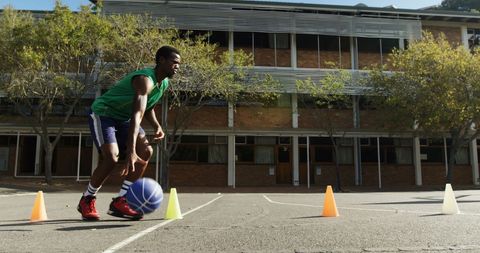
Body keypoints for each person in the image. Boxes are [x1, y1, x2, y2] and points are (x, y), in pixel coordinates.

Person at [77, 45, 181, 221]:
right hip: (104, 113)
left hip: (124, 118)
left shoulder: (163, 82)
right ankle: (87, 199)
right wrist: (131, 151)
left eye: (179, 64)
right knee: (111, 157)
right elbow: (137, 114)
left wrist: (157, 126)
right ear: (161, 60)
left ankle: (121, 200)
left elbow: (147, 108)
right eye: (174, 62)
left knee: (146, 151)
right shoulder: (144, 79)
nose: (177, 66)